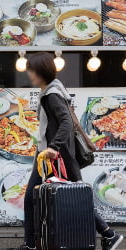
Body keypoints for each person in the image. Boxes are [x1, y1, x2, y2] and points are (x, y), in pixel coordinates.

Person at [19, 52, 124, 250]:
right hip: (52, 154)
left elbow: (66, 123)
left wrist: (53, 146)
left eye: (32, 71)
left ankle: (31, 244)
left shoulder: (52, 95)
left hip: (56, 156)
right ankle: (109, 235)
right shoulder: (53, 90)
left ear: (41, 72)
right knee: (66, 197)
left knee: (67, 198)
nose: (30, 75)